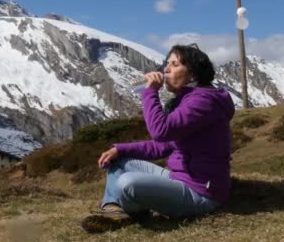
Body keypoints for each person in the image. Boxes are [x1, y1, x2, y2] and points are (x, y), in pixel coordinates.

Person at [81, 44, 235, 233]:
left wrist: (150, 91)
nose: (166, 69)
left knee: (127, 182)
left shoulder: (203, 101)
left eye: (174, 64)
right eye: (167, 63)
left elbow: (160, 132)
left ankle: (133, 212)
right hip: (178, 178)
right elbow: (163, 146)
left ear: (193, 74)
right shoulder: (187, 100)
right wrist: (119, 149)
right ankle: (114, 210)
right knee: (119, 161)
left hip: (200, 193)